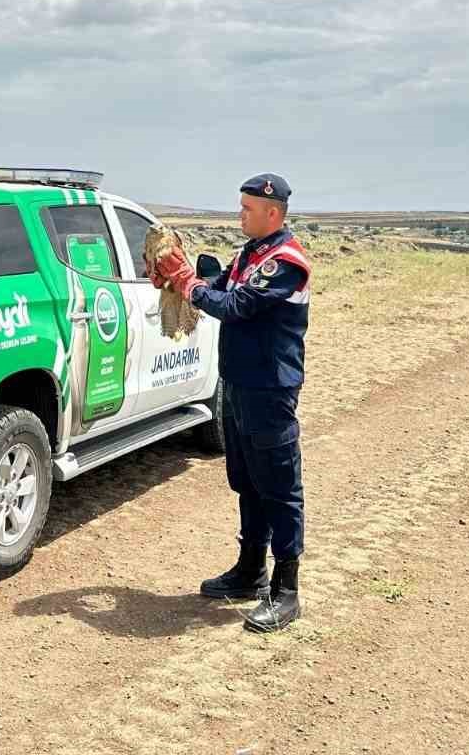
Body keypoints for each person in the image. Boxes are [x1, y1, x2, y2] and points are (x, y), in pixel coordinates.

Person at [152, 173, 310, 633]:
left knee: (278, 485)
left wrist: (190, 285)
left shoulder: (286, 261)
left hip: (269, 388)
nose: (239, 214)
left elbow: (235, 305)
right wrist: (182, 275)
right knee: (247, 480)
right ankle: (250, 569)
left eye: (246, 209)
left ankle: (286, 589)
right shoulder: (250, 253)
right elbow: (218, 283)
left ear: (272, 213)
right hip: (239, 383)